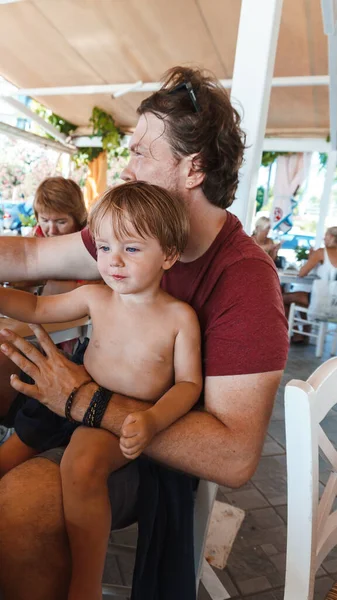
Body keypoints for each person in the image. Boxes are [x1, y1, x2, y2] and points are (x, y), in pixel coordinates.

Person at [0, 66, 289, 600]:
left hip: (153, 449)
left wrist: (85, 400)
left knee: (16, 509)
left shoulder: (245, 282)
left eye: (141, 152)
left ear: (193, 167)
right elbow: (28, 253)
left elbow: (233, 457)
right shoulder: (131, 232)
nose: (127, 168)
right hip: (87, 402)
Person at [0, 181, 202, 600]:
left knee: (82, 460)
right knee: (7, 457)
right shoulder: (96, 297)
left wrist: (152, 420)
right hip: (67, 402)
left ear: (168, 254)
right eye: (105, 247)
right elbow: (37, 308)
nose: (113, 261)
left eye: (131, 249)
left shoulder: (180, 318)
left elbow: (188, 384)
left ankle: (85, 583)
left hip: (118, 419)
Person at [283, 226, 337, 342]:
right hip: (335, 305)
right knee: (302, 298)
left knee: (283, 298)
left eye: (325, 235)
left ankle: (293, 333)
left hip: (321, 302)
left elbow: (302, 273)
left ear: (331, 237)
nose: (324, 238)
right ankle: (304, 333)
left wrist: (312, 257)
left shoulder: (322, 252)